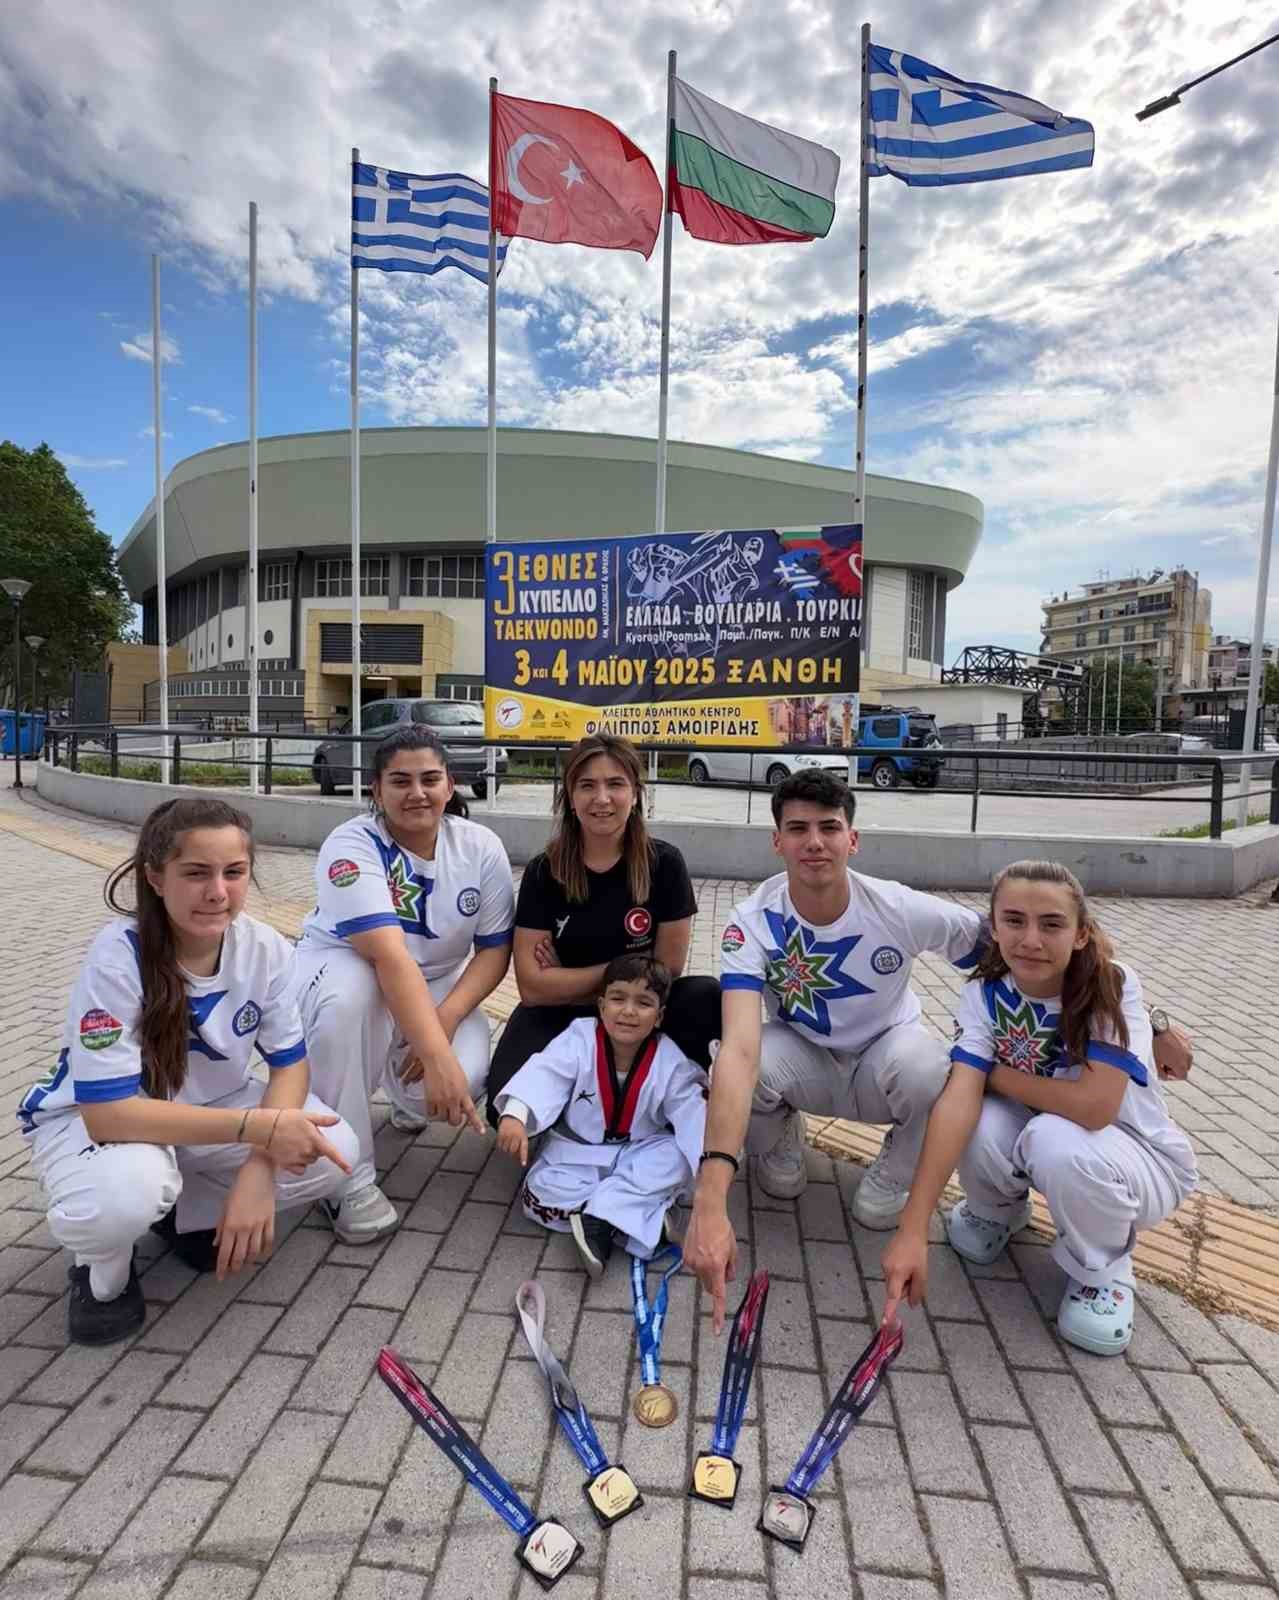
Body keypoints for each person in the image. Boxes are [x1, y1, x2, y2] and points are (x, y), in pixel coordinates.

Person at [18, 797, 357, 1347]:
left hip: (207, 1116)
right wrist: (258, 1132)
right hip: (98, 1123)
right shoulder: (117, 956)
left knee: (337, 1146)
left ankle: (185, 1217)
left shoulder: (265, 948)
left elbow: (290, 1066)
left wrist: (259, 1170)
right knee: (125, 1194)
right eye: (196, 873)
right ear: (155, 877)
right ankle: (100, 1270)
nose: (218, 892)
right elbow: (108, 1115)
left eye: (234, 872)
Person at [881, 860, 1197, 1356]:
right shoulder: (983, 993)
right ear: (993, 927)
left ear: (1079, 934)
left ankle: (1104, 1270)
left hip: (1134, 1158)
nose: (1030, 939)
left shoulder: (1109, 985)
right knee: (972, 1114)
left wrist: (992, 1072)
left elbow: (1094, 1108)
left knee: (1053, 1138)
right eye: (1013, 921)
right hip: (1043, 1132)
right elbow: (958, 1101)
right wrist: (912, 1228)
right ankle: (995, 1211)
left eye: (1051, 924)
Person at [294, 726, 514, 1245]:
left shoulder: (480, 846)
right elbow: (389, 958)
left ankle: (401, 1090)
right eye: (400, 781)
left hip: (435, 983)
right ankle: (346, 1178)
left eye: (430, 779)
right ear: (376, 790)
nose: (417, 792)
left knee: (464, 1078)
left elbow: (494, 951)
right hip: (346, 965)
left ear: (450, 784)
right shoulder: (351, 845)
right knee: (351, 1001)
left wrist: (439, 1026)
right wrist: (433, 1055)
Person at [485, 734, 719, 1127]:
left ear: (635, 793)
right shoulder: (546, 871)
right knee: (503, 1109)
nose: (602, 798)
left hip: (639, 1009)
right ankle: (582, 1110)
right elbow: (532, 987)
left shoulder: (664, 864)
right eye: (587, 785)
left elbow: (668, 969)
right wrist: (629, 966)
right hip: (564, 1014)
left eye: (615, 784)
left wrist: (570, 977)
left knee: (705, 996)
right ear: (570, 797)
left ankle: (665, 1102)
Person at [492, 954, 707, 1277]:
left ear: (660, 1016)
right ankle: (632, 1214)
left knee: (677, 1156)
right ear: (601, 1005)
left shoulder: (668, 1058)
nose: (629, 1011)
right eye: (618, 999)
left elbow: (691, 1109)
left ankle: (601, 1220)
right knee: (541, 1191)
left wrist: (711, 1168)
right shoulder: (579, 1038)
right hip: (576, 1152)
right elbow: (545, 1072)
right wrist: (516, 1114)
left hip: (639, 1150)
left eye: (644, 1003)